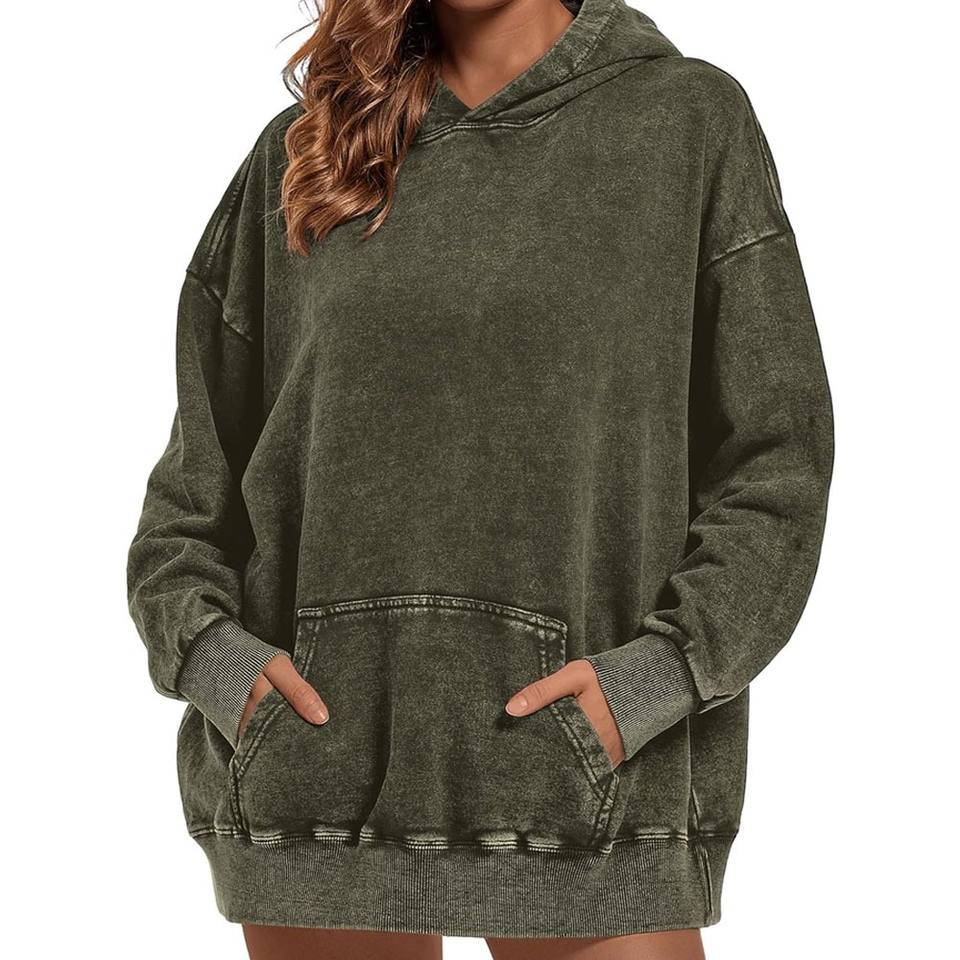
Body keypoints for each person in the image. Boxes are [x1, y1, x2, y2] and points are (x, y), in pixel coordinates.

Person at [126, 0, 834, 956]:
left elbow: (777, 463)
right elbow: (189, 499)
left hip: (591, 789)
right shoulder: (306, 152)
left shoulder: (685, 123)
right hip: (314, 786)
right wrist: (218, 664)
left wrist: (656, 680)